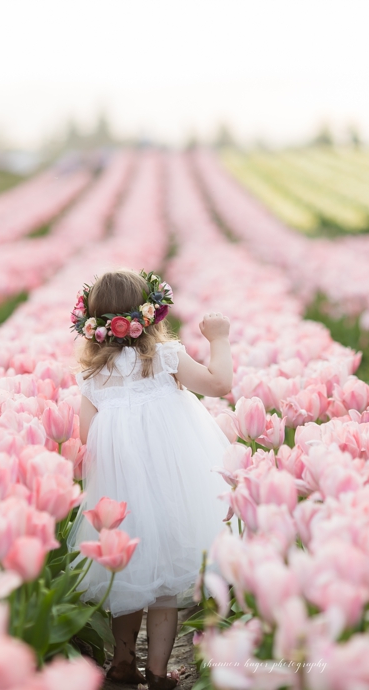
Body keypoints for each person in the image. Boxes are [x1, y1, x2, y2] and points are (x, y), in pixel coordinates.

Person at [67, 269, 234, 689]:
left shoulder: (92, 378)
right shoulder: (167, 358)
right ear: (151, 313)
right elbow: (219, 384)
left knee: (127, 575)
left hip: (121, 493)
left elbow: (87, 438)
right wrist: (219, 338)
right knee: (165, 586)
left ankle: (122, 666)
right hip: (173, 487)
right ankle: (159, 675)